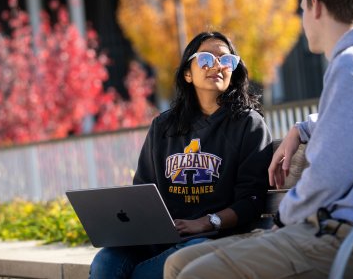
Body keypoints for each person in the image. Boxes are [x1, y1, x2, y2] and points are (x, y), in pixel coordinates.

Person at [164, 0, 353, 279]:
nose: (304, 20)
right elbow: (351, 120)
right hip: (336, 232)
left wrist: (283, 218)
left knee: (197, 274)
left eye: (302, 9)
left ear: (315, 6)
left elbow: (330, 175)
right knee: (177, 264)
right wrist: (301, 128)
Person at [89, 31, 273, 279]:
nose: (218, 66)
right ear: (188, 73)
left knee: (158, 268)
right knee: (106, 260)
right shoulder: (164, 127)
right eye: (207, 59)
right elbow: (144, 189)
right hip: (162, 236)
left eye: (227, 61)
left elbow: (251, 200)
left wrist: (206, 222)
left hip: (215, 237)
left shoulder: (248, 125)